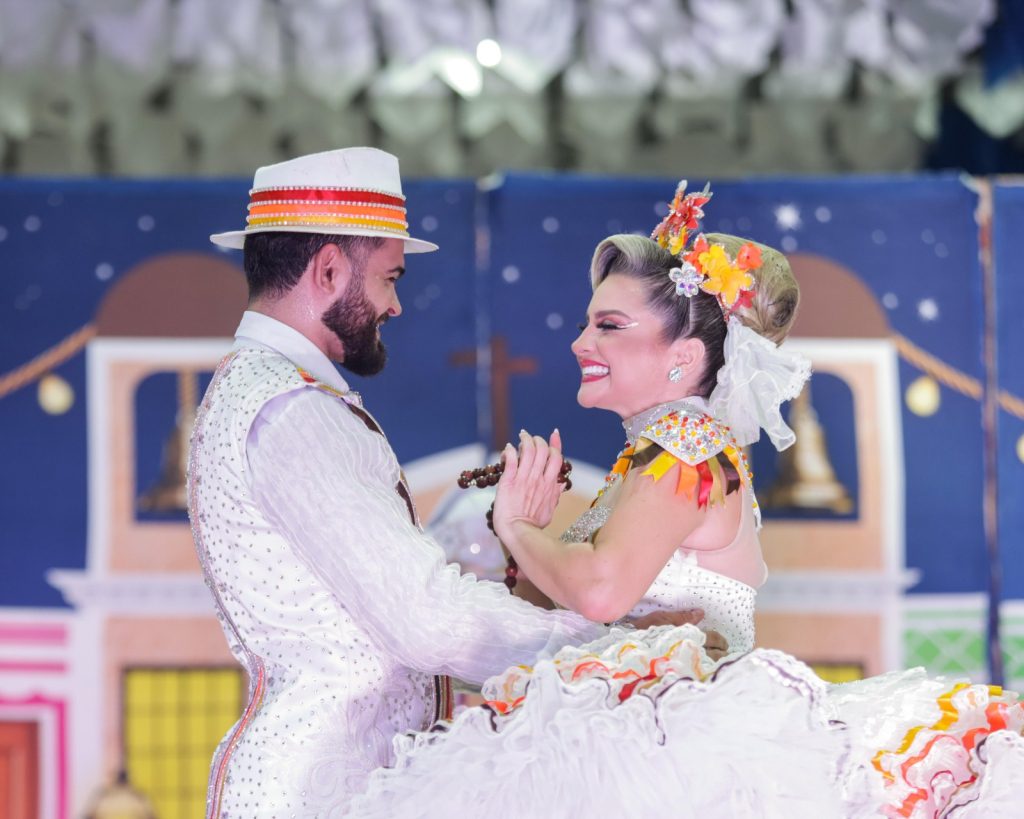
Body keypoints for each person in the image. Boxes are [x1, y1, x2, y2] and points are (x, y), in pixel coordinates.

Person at [346, 182, 1024, 818]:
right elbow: (574, 613)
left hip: (679, 752)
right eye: (588, 323)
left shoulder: (685, 448)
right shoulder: (653, 455)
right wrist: (532, 540)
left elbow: (603, 593)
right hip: (649, 738)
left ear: (685, 356)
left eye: (609, 325)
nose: (581, 342)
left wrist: (519, 526)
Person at [188, 147, 632, 817]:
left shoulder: (266, 392)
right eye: (389, 278)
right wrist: (615, 653)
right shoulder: (292, 412)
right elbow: (427, 620)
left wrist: (516, 540)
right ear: (329, 269)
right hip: (318, 795)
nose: (395, 305)